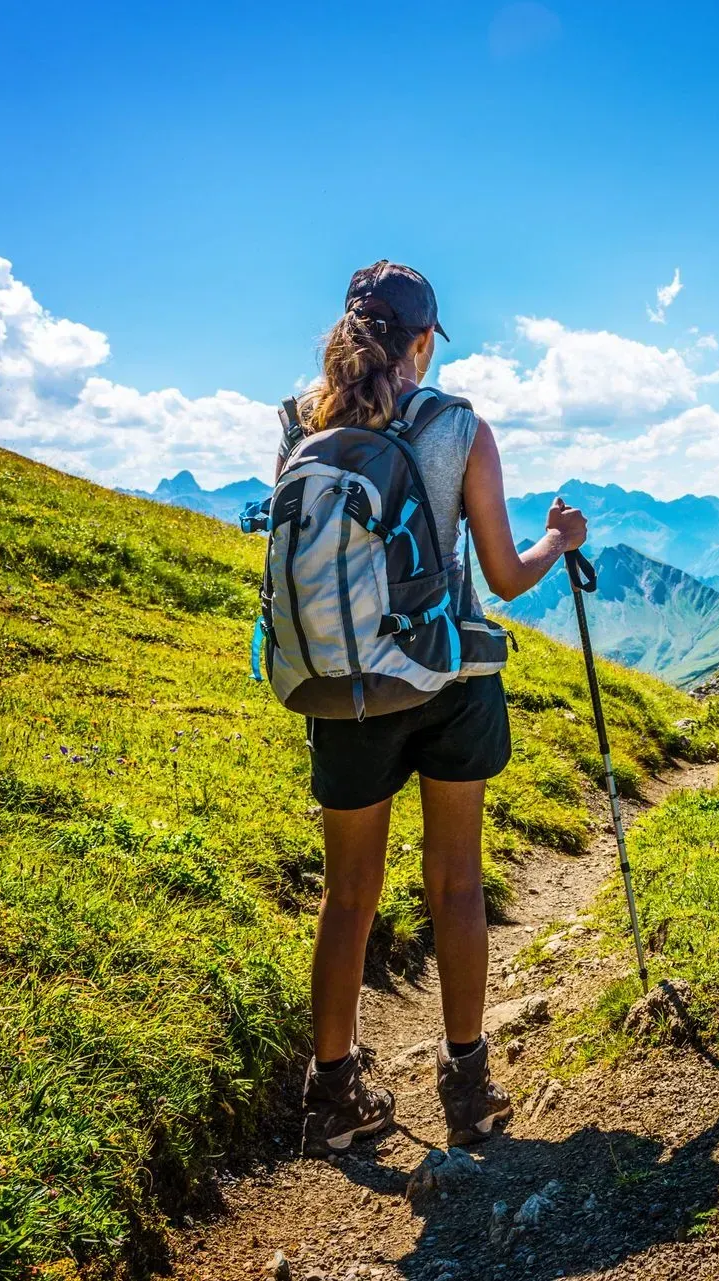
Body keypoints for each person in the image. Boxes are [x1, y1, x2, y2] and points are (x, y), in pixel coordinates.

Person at [290, 261, 586, 1155]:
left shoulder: (302, 429)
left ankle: (334, 1093)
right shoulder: (461, 427)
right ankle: (468, 1085)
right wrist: (557, 540)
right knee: (455, 879)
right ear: (425, 341)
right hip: (449, 680)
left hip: (343, 688)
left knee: (349, 895)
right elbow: (502, 575)